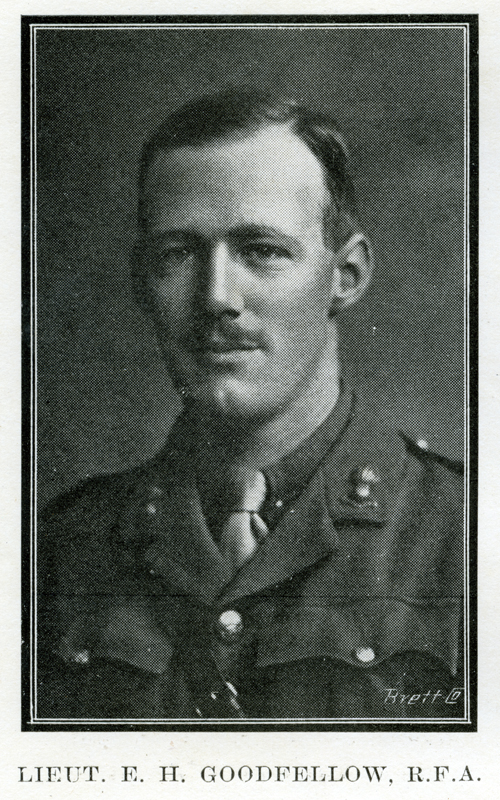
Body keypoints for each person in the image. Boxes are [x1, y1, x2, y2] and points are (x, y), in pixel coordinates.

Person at [37, 89, 465, 720]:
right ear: (141, 281)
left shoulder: (466, 534)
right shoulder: (58, 547)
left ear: (346, 275)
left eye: (261, 251)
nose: (215, 296)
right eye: (178, 255)